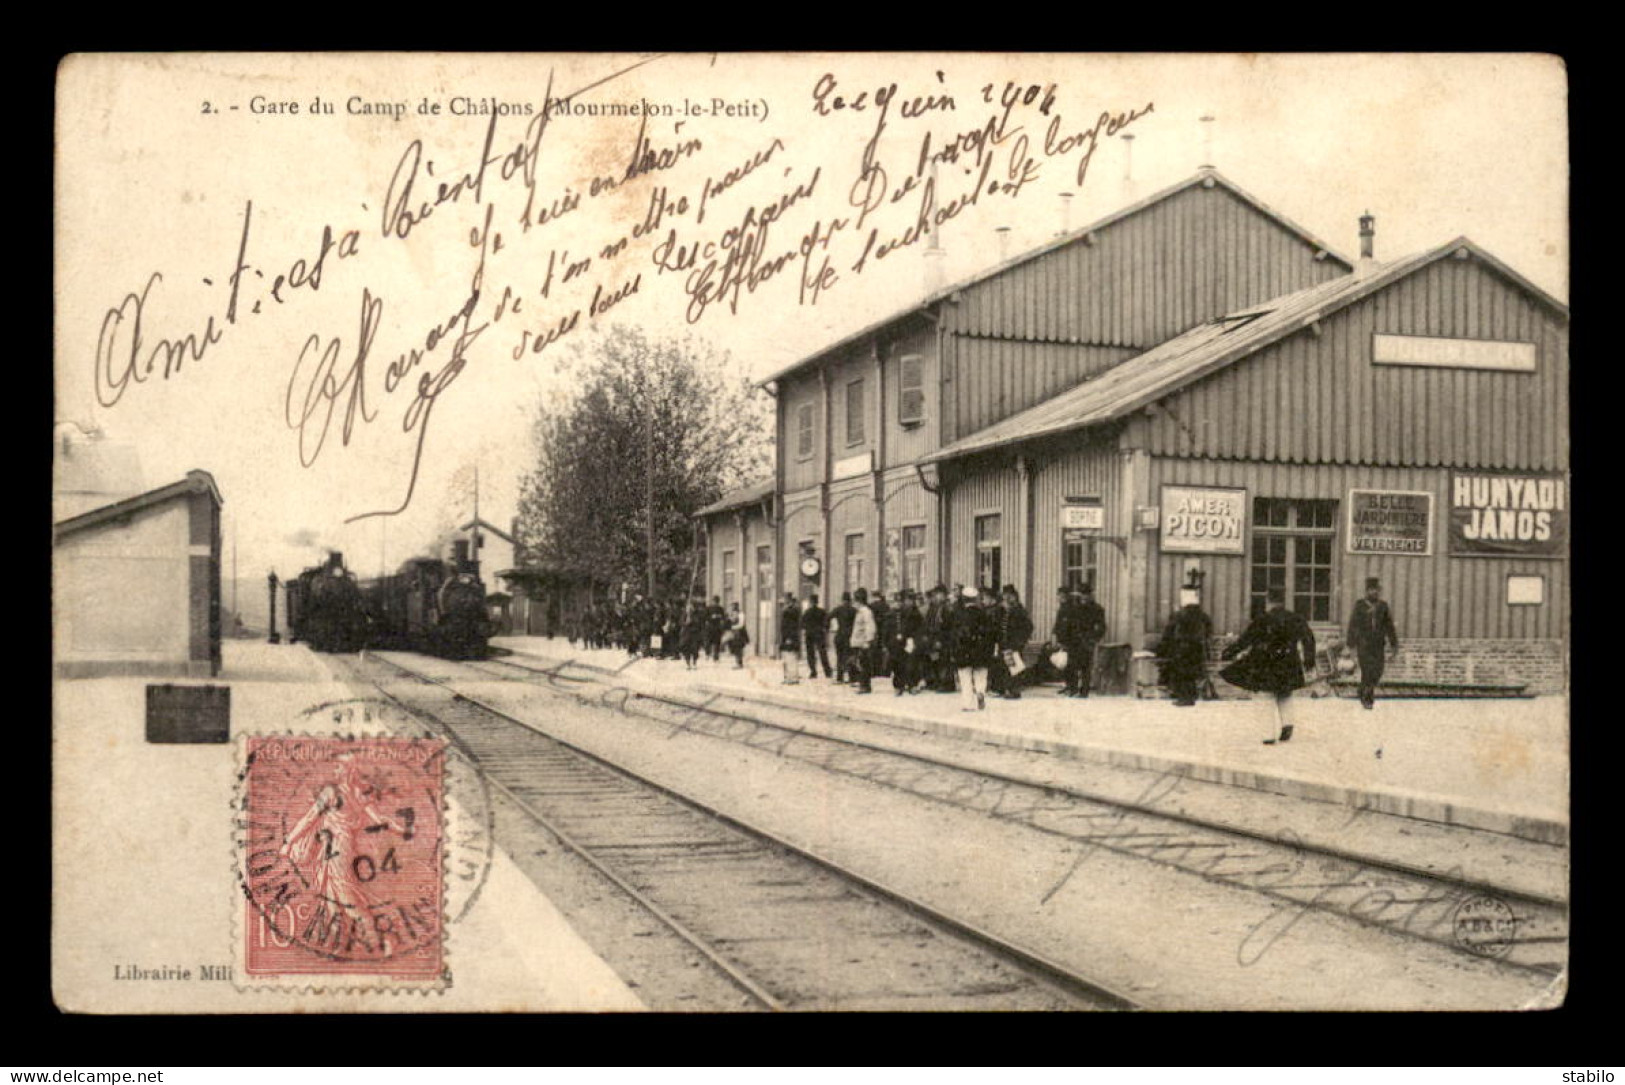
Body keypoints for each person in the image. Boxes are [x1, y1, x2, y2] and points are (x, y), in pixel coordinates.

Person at [1221, 588, 1317, 744]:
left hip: (1267, 662)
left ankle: (1268, 734)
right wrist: (1309, 660)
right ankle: (1287, 723)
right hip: (1289, 660)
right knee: (1285, 692)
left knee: (1265, 695)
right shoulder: (1295, 618)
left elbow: (1245, 640)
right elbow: (1308, 639)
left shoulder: (1262, 620)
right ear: (1283, 601)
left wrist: (1228, 653)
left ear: (1268, 601)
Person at [1346, 577, 1400, 709]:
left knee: (1378, 670)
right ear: (1366, 591)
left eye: (1376, 590)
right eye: (1371, 590)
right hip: (1363, 644)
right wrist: (1350, 644)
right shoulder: (1360, 605)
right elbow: (1353, 625)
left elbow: (1389, 626)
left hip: (1378, 645)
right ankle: (1368, 698)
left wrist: (1394, 644)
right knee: (1367, 670)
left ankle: (1362, 689)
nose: (1374, 593)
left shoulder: (1383, 606)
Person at [1158, 585, 1213, 707]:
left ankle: (1184, 697)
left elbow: (1169, 633)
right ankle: (1190, 696)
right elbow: (1208, 632)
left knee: (1181, 673)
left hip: (1181, 648)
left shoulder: (1179, 615)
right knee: (1191, 673)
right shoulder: (1203, 616)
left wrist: (1162, 648)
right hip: (1196, 648)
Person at [953, 586, 998, 711]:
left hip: (964, 650)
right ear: (976, 599)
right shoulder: (984, 614)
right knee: (980, 674)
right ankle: (980, 692)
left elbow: (954, 634)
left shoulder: (959, 615)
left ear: (964, 599)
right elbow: (991, 633)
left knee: (965, 677)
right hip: (980, 650)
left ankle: (968, 703)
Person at [991, 584, 1034, 699]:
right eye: (1005, 595)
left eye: (1009, 595)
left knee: (1014, 668)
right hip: (1003, 643)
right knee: (1002, 666)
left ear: (1014, 596)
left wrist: (1020, 642)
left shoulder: (1019, 610)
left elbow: (1028, 627)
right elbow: (996, 625)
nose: (1007, 598)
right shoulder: (1001, 610)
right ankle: (1003, 689)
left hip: (1014, 644)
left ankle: (1013, 690)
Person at [890, 590, 925, 695]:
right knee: (898, 664)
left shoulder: (916, 613)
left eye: (911, 599)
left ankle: (912, 685)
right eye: (907, 599)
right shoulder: (898, 612)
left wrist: (915, 639)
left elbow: (920, 628)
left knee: (911, 664)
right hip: (899, 641)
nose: (909, 602)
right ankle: (899, 686)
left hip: (911, 640)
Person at [848, 588, 877, 694]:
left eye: (855, 600)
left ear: (859, 601)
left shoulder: (866, 612)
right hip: (858, 643)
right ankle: (863, 685)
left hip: (863, 643)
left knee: (864, 665)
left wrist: (868, 641)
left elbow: (871, 627)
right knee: (859, 665)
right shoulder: (860, 612)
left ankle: (865, 686)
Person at [802, 593, 831, 679]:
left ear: (810, 602)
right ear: (817, 602)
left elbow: (802, 624)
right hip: (819, 634)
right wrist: (825, 629)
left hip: (809, 634)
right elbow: (827, 622)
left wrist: (807, 628)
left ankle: (813, 672)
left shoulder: (807, 612)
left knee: (810, 654)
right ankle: (827, 671)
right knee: (822, 653)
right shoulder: (822, 611)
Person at [830, 591, 857, 684]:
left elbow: (828, 617)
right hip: (850, 636)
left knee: (840, 657)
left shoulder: (838, 609)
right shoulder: (854, 610)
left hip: (840, 635)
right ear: (850, 600)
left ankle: (839, 677)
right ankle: (852, 677)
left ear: (842, 600)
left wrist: (830, 627)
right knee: (850, 656)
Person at [779, 593, 803, 684]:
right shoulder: (789, 609)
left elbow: (791, 625)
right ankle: (788, 677)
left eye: (785, 599)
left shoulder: (792, 610)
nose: (784, 601)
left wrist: (789, 637)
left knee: (791, 657)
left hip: (790, 636)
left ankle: (792, 678)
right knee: (787, 657)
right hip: (787, 636)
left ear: (788, 599)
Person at [679, 600, 705, 670]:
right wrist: (685, 622)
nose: (689, 608)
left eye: (691, 606)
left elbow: (699, 623)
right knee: (686, 649)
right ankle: (688, 663)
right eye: (688, 606)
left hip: (694, 634)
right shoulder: (684, 614)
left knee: (694, 649)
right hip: (686, 634)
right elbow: (681, 622)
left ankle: (694, 663)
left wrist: (692, 621)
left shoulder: (697, 614)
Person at [725, 602, 749, 668]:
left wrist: (732, 627)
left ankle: (739, 663)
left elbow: (741, 624)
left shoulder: (741, 614)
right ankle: (737, 663)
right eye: (732, 607)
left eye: (734, 607)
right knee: (735, 648)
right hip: (734, 633)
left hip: (740, 633)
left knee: (738, 648)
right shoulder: (732, 614)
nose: (733, 608)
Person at [705, 596, 727, 662]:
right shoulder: (708, 608)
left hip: (717, 628)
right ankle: (707, 654)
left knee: (717, 642)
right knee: (708, 641)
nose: (715, 602)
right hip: (710, 627)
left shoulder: (721, 609)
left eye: (716, 601)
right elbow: (705, 617)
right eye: (714, 601)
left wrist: (720, 617)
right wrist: (711, 617)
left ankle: (716, 656)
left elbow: (723, 617)